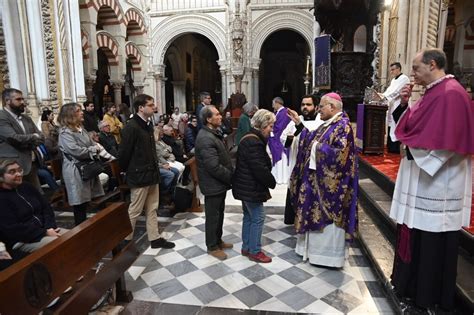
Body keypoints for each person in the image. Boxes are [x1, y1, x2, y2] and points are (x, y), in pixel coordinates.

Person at [389, 49, 474, 312]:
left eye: (415, 68)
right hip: (425, 179)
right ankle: (413, 288)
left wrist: (416, 155)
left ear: (432, 64)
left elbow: (450, 140)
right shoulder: (435, 91)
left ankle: (429, 295)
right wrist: (404, 106)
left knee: (433, 241)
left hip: (439, 183)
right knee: (418, 235)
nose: (412, 73)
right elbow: (418, 127)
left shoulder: (451, 93)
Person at [287, 92, 358, 268]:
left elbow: (340, 155)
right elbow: (310, 137)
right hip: (316, 181)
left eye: (321, 106)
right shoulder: (329, 124)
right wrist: (299, 124)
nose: (319, 109)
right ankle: (312, 252)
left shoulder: (343, 126)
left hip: (332, 186)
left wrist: (317, 148)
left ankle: (328, 257)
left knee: (329, 222)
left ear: (332, 107)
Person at [119, 94, 175, 249]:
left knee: (152, 208)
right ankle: (125, 241)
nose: (154, 107)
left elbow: (151, 150)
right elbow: (123, 153)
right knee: (135, 210)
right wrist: (126, 171)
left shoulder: (147, 124)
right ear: (141, 108)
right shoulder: (131, 127)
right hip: (139, 174)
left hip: (151, 173)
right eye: (150, 105)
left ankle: (154, 238)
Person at [232, 109, 276, 263]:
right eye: (270, 126)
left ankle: (246, 247)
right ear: (262, 125)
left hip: (245, 185)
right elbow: (259, 169)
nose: (271, 130)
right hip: (250, 186)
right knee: (258, 217)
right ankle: (255, 251)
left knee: (249, 216)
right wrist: (272, 182)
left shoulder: (249, 137)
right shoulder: (254, 141)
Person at [0, 159, 66, 255]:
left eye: (19, 170)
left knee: (75, 236)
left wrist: (49, 227)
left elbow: (46, 208)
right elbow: (13, 229)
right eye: (12, 172)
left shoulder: (27, 187)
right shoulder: (2, 198)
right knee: (60, 245)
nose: (18, 174)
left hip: (45, 230)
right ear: (1, 177)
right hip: (22, 240)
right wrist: (44, 233)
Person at [195, 105, 233, 260]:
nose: (220, 117)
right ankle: (212, 246)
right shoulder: (205, 138)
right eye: (217, 115)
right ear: (208, 119)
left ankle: (218, 240)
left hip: (218, 183)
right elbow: (213, 167)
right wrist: (231, 176)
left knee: (219, 213)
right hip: (212, 184)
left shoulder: (212, 133)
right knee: (213, 216)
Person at [58, 103, 105, 225]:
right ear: (70, 114)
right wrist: (93, 150)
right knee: (79, 203)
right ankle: (80, 230)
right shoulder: (65, 132)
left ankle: (87, 228)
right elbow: (75, 150)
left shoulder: (81, 129)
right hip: (75, 170)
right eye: (78, 110)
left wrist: (93, 147)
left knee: (86, 200)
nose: (82, 112)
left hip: (86, 167)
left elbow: (92, 143)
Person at [280, 95, 323, 224]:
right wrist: (289, 139)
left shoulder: (320, 122)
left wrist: (300, 128)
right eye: (303, 104)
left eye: (308, 104)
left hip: (311, 166)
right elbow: (283, 138)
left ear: (316, 107)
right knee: (294, 188)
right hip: (296, 163)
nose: (305, 107)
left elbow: (313, 138)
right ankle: (293, 218)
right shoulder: (294, 121)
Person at [0, 88, 44, 190]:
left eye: (23, 99)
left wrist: (29, 140)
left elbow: (41, 137)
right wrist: (33, 137)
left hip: (30, 164)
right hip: (11, 167)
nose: (23, 102)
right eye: (18, 99)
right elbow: (13, 138)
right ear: (7, 101)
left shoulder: (26, 118)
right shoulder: (2, 117)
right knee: (17, 197)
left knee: (36, 195)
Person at [381, 62, 410, 153]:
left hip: (399, 104)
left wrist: (384, 97)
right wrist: (382, 95)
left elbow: (396, 91)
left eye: (393, 69)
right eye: (391, 70)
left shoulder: (404, 78)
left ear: (399, 69)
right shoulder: (394, 80)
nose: (391, 71)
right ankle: (391, 146)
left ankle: (396, 147)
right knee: (391, 124)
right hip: (392, 105)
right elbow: (389, 90)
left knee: (397, 124)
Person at [268, 97, 291, 184]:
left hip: (279, 139)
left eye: (273, 103)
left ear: (277, 103)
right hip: (276, 138)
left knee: (282, 159)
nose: (272, 106)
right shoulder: (278, 112)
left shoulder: (284, 112)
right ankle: (277, 177)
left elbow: (280, 127)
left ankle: (282, 178)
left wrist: (270, 129)